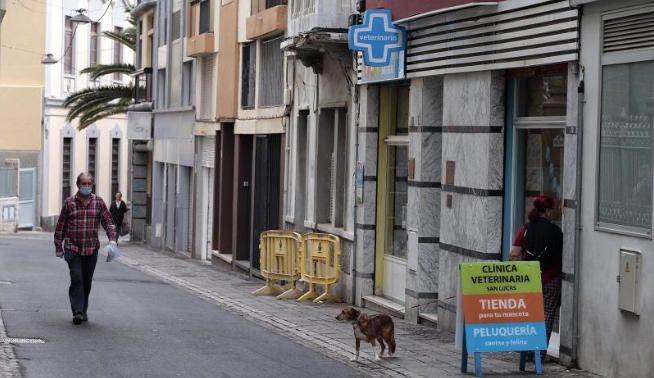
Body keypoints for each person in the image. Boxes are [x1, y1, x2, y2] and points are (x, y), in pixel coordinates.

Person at [54, 172, 117, 325]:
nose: (87, 186)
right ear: (78, 185)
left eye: (89, 184)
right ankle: (77, 311)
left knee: (87, 281)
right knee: (77, 279)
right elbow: (61, 225)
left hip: (91, 248)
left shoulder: (99, 202)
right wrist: (58, 246)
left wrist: (113, 240)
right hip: (72, 247)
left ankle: (83, 309)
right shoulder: (69, 203)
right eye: (84, 183)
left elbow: (108, 222)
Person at [509, 195, 563, 360]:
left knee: (530, 313)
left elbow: (513, 253)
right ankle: (540, 352)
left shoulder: (525, 228)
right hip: (551, 278)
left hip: (530, 279)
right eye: (552, 209)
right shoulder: (556, 231)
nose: (553, 212)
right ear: (547, 211)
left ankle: (527, 349)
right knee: (547, 315)